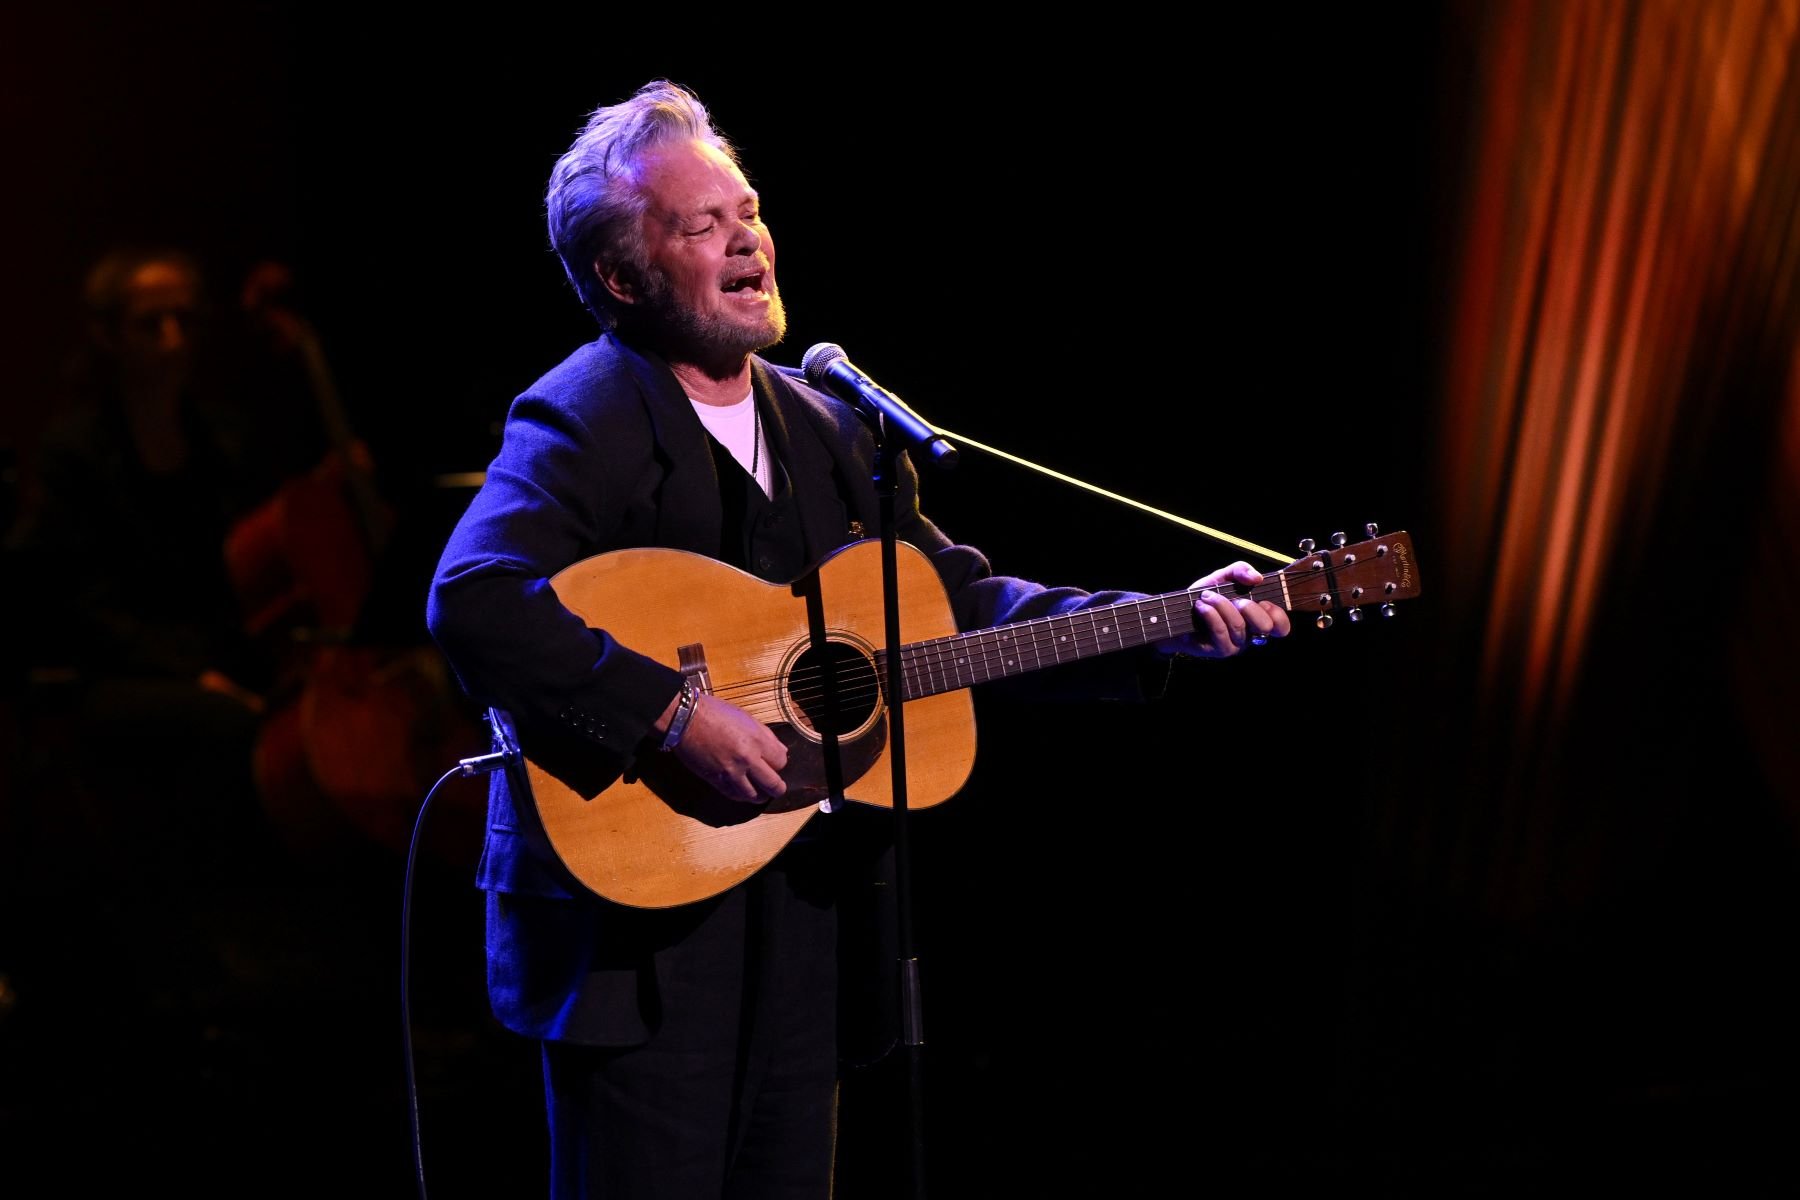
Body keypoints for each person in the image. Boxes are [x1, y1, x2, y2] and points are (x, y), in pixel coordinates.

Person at [424, 79, 1292, 1199]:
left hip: (805, 909)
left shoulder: (832, 424)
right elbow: (477, 595)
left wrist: (1164, 626)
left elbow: (961, 610)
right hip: (636, 939)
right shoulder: (587, 410)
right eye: (703, 226)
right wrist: (675, 713)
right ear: (623, 276)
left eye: (749, 213)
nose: (747, 242)